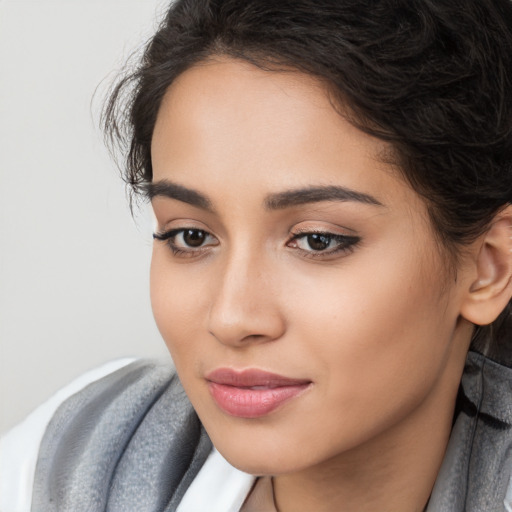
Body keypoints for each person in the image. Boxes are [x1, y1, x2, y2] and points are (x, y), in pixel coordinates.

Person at [2, 0, 512, 510]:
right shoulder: (74, 459)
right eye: (191, 236)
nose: (231, 317)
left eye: (317, 239)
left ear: (489, 267)